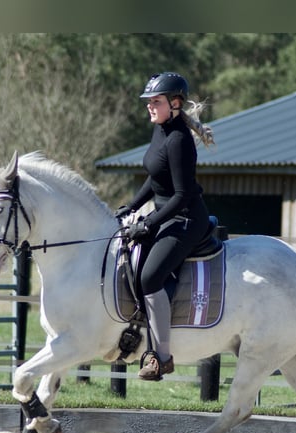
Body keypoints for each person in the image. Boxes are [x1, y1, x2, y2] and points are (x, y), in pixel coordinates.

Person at [116, 72, 216, 380]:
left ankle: (161, 357)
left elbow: (182, 195)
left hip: (186, 218)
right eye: (148, 102)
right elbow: (155, 177)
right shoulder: (161, 130)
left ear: (175, 103)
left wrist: (146, 224)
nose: (149, 106)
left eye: (155, 102)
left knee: (150, 277)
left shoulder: (179, 140)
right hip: (165, 214)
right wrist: (131, 207)